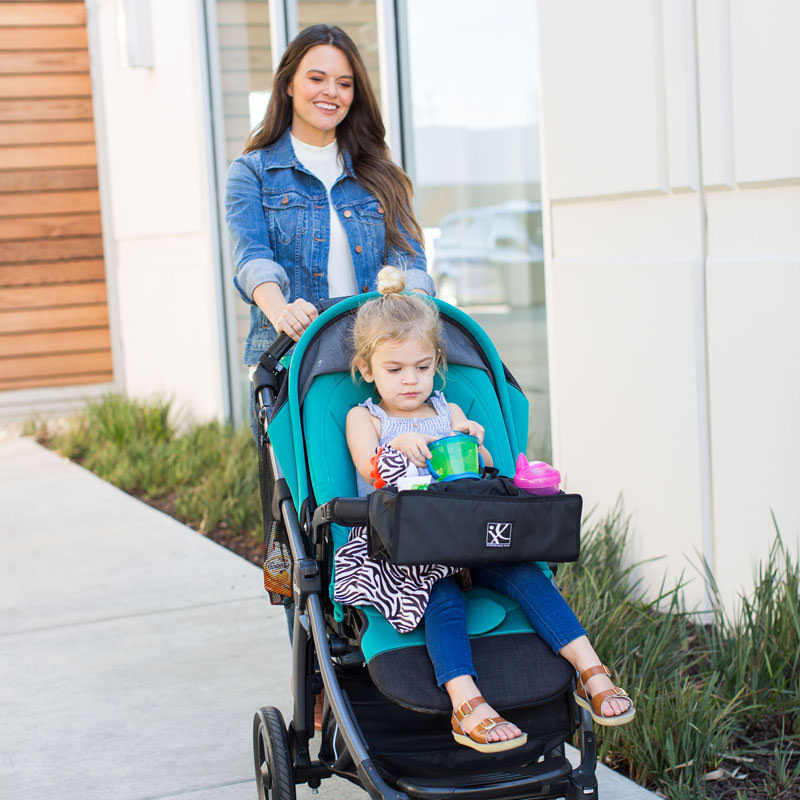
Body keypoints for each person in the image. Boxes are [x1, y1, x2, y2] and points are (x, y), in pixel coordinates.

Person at [334, 266, 635, 754]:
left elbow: (487, 468)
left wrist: (475, 440)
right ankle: (466, 700)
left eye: (423, 367)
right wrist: (398, 448)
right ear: (367, 369)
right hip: (407, 546)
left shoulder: (447, 411)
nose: (411, 380)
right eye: (395, 370)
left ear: (436, 364)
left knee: (525, 574)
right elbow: (369, 471)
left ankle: (590, 671)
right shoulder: (365, 417)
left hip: (468, 534)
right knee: (443, 597)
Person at [225, 23, 433, 395]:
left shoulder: (381, 174)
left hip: (378, 366)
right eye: (317, 78)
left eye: (344, 83)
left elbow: (410, 263)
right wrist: (281, 313)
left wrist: (415, 312)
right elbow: (252, 261)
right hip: (295, 362)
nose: (331, 92)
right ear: (288, 84)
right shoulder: (251, 172)